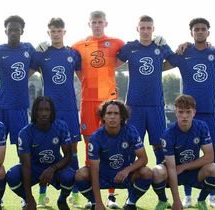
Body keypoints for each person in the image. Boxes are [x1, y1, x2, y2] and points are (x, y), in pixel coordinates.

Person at [165, 17, 215, 208]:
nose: (200, 32)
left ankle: (211, 196)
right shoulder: (184, 52)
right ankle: (187, 196)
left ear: (208, 32)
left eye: (203, 29)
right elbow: (164, 63)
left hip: (208, 111)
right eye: (196, 29)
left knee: (211, 154)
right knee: (185, 152)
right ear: (191, 33)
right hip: (187, 110)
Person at [71, 10, 125, 209]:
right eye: (94, 22)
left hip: (109, 101)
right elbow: (76, 68)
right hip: (88, 102)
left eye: (100, 22)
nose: (97, 25)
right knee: (89, 146)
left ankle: (111, 195)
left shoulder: (117, 42)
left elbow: (132, 54)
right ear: (89, 24)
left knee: (113, 145)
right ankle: (92, 197)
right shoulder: (78, 46)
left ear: (106, 23)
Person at [0, 15, 35, 208]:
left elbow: (38, 65)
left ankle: (25, 194)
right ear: (5, 31)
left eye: (17, 29)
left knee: (24, 154)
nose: (13, 33)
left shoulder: (28, 49)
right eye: (10, 29)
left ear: (22, 31)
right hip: (0, 109)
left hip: (21, 109)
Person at [31, 17, 82, 208]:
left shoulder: (73, 54)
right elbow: (22, 76)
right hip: (48, 110)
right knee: (45, 149)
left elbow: (85, 76)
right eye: (52, 31)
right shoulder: (41, 54)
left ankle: (75, 195)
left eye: (59, 31)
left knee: (73, 151)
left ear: (64, 32)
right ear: (48, 33)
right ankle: (42, 194)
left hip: (69, 109)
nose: (56, 34)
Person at [74, 100, 153, 210]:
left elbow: (143, 159)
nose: (112, 117)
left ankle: (131, 203)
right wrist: (98, 202)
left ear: (122, 117)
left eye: (116, 113)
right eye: (109, 113)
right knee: (80, 174)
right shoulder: (96, 138)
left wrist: (127, 170)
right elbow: (94, 170)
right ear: (103, 117)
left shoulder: (130, 131)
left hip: (125, 176)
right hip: (103, 176)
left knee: (147, 172)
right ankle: (94, 203)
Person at [117, 15, 174, 166]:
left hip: (156, 104)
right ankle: (131, 183)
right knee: (132, 144)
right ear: (137, 29)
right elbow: (113, 63)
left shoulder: (160, 46)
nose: (145, 31)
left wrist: (158, 69)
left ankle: (161, 180)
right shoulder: (130, 47)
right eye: (142, 28)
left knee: (159, 144)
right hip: (134, 105)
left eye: (149, 28)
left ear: (153, 29)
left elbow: (174, 61)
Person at [152, 94, 215, 210]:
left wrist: (184, 166)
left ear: (194, 112)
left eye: (188, 112)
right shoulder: (168, 133)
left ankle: (201, 200)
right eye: (181, 112)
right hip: (173, 172)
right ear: (175, 112)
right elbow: (171, 167)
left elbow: (209, 157)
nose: (184, 116)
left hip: (192, 170)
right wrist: (177, 201)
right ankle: (163, 200)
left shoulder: (201, 127)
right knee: (156, 172)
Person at [6, 96, 74, 210]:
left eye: (47, 110)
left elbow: (68, 156)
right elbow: (26, 166)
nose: (43, 113)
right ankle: (28, 200)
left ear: (52, 112)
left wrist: (52, 168)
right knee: (12, 175)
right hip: (33, 168)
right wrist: (29, 199)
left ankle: (62, 200)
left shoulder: (61, 126)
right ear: (34, 112)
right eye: (40, 110)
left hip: (55, 167)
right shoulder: (25, 133)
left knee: (70, 176)